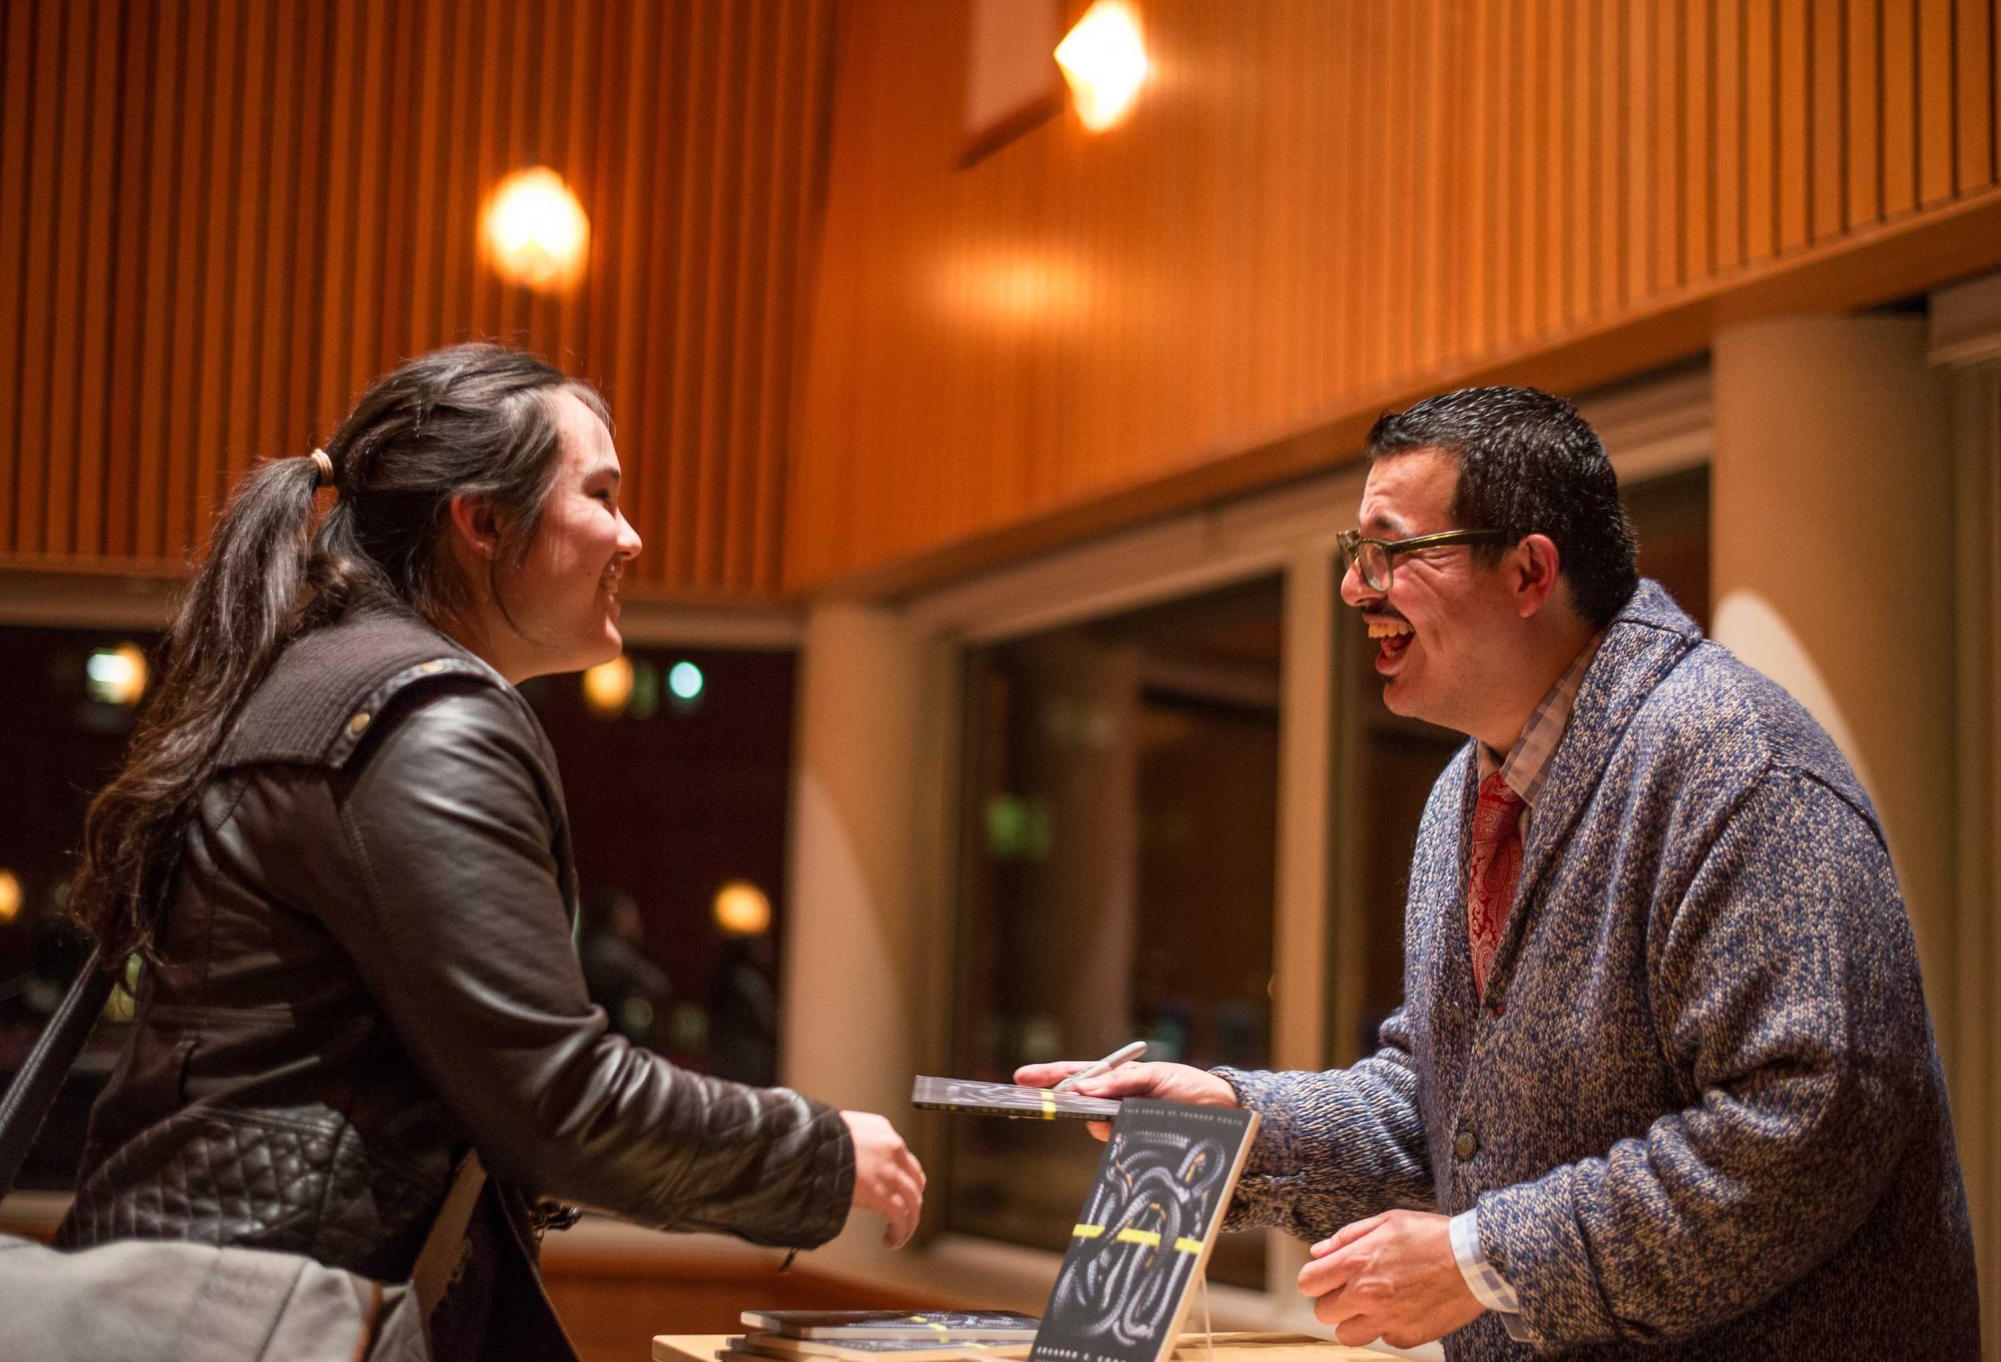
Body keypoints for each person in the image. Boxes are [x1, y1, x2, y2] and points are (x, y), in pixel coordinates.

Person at [1021, 387, 1978, 1358]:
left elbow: (1803, 1124)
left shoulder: (1734, 758)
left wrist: (1483, 1260)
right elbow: (1439, 1108)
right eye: (1355, 554)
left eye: (1391, 549)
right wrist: (1240, 1118)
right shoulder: (1460, 793)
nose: (1356, 587)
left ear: (1528, 570)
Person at [57, 344, 926, 1360]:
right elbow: (561, 1098)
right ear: (483, 520)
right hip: (276, 1323)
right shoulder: (423, 715)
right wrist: (820, 1151)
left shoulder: (318, 680)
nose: (632, 536)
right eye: (601, 495)